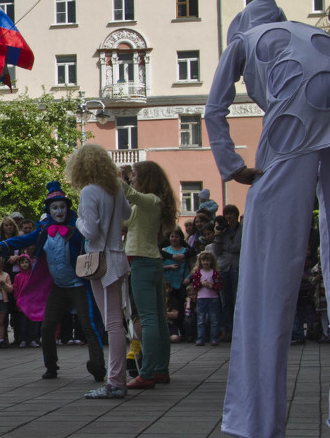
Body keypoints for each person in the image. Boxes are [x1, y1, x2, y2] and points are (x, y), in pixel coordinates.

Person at [204, 0, 330, 438]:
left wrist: (234, 168)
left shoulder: (244, 41)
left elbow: (215, 108)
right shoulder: (309, 33)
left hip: (294, 119)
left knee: (268, 266)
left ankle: (257, 420)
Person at [0, 181, 105, 383]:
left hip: (78, 285)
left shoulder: (76, 229)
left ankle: (98, 366)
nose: (59, 211)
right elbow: (22, 240)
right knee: (47, 327)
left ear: (67, 209)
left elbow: (93, 241)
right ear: (49, 211)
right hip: (58, 287)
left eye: (62, 207)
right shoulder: (44, 230)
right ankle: (51, 366)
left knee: (88, 325)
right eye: (55, 208)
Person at [66, 142, 131, 400]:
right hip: (117, 256)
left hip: (100, 259)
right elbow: (127, 213)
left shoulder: (89, 192)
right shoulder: (115, 189)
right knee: (117, 322)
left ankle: (115, 381)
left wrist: (78, 221)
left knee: (112, 324)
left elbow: (90, 230)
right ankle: (117, 379)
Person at [122, 161, 178, 390]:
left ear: (145, 178)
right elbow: (124, 224)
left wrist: (111, 175)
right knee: (158, 320)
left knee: (148, 319)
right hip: (150, 261)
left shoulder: (149, 200)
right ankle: (160, 370)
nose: (131, 178)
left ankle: (148, 372)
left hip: (142, 263)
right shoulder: (150, 204)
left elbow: (127, 191)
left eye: (134, 175)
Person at [209, 204, 242, 339]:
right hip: (224, 268)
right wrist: (218, 236)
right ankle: (228, 329)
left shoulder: (243, 228)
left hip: (237, 267)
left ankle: (238, 328)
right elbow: (216, 251)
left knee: (237, 299)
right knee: (226, 300)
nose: (228, 216)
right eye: (226, 214)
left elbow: (240, 247)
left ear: (236, 215)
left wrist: (228, 248)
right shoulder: (223, 230)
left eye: (231, 213)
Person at [187, 250, 222, 346]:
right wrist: (201, 284)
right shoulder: (198, 273)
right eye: (203, 260)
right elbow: (194, 285)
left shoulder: (214, 273)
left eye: (208, 260)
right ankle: (200, 338)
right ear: (200, 261)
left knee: (214, 320)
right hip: (201, 298)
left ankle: (214, 338)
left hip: (213, 298)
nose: (206, 262)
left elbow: (219, 285)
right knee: (201, 320)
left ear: (211, 261)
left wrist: (212, 286)